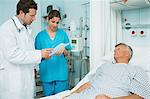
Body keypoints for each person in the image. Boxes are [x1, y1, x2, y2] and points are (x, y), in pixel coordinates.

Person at [0, 0, 51, 99]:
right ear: (21, 13)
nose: (34, 18)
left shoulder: (26, 29)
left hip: (26, 77)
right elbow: (12, 54)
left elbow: (28, 51)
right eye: (32, 16)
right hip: (13, 80)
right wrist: (39, 54)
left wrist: (34, 67)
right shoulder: (7, 28)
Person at [64, 43, 150, 99]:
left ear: (127, 54)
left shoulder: (135, 70)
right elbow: (89, 83)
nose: (114, 51)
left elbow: (142, 95)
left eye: (118, 49)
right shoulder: (105, 66)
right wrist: (71, 94)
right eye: (114, 50)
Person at [35, 10, 71, 96]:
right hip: (47, 73)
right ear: (48, 19)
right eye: (53, 22)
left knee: (62, 97)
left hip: (61, 73)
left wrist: (64, 51)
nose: (55, 25)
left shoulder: (63, 34)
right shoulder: (40, 36)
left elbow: (67, 53)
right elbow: (36, 55)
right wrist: (44, 55)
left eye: (57, 22)